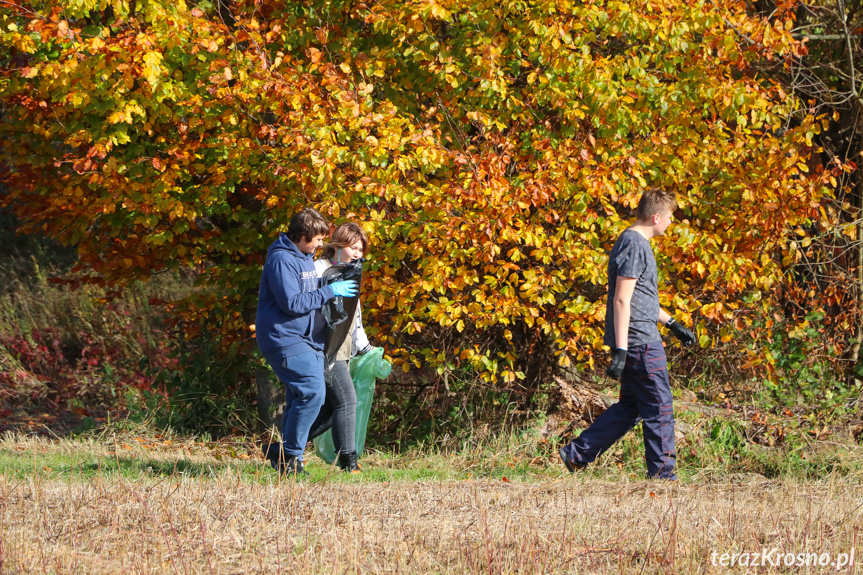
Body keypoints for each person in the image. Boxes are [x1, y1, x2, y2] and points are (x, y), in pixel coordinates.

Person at [559, 188, 696, 480]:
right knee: (660, 407)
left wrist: (672, 324)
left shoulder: (636, 242)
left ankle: (578, 454)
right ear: (656, 216)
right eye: (670, 217)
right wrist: (621, 350)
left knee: (631, 408)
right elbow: (621, 299)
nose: (671, 223)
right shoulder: (634, 244)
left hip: (641, 337)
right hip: (641, 342)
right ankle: (662, 477)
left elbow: (641, 299)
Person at [256, 208, 359, 475]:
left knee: (300, 398)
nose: (322, 245)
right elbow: (292, 303)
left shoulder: (304, 257)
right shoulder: (281, 261)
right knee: (314, 392)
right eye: (318, 240)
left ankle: (288, 457)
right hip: (284, 338)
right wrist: (329, 291)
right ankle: (291, 458)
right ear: (303, 236)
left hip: (308, 339)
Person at [307, 222, 374, 473]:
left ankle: (283, 449)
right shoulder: (318, 270)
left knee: (328, 407)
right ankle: (349, 461)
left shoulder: (349, 272)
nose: (357, 254)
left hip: (342, 343)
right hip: (321, 344)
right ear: (338, 245)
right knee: (346, 400)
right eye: (353, 247)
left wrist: (366, 349)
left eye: (360, 249)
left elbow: (354, 316)